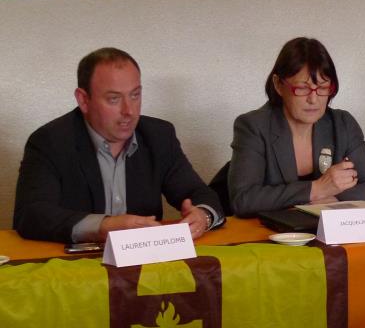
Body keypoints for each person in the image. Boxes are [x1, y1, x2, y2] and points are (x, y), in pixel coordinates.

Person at [14, 47, 224, 243]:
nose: (129, 111)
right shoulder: (50, 141)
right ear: (84, 100)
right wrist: (101, 226)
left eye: (135, 95)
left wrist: (202, 215)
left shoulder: (158, 135)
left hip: (144, 265)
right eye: (114, 99)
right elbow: (31, 215)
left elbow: (199, 193)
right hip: (75, 268)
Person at [228, 37, 365, 216]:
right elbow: (243, 199)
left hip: (328, 233)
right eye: (302, 88)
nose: (313, 99)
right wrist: (316, 189)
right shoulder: (254, 126)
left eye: (322, 88)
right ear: (278, 85)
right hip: (272, 236)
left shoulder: (342, 124)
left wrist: (333, 200)